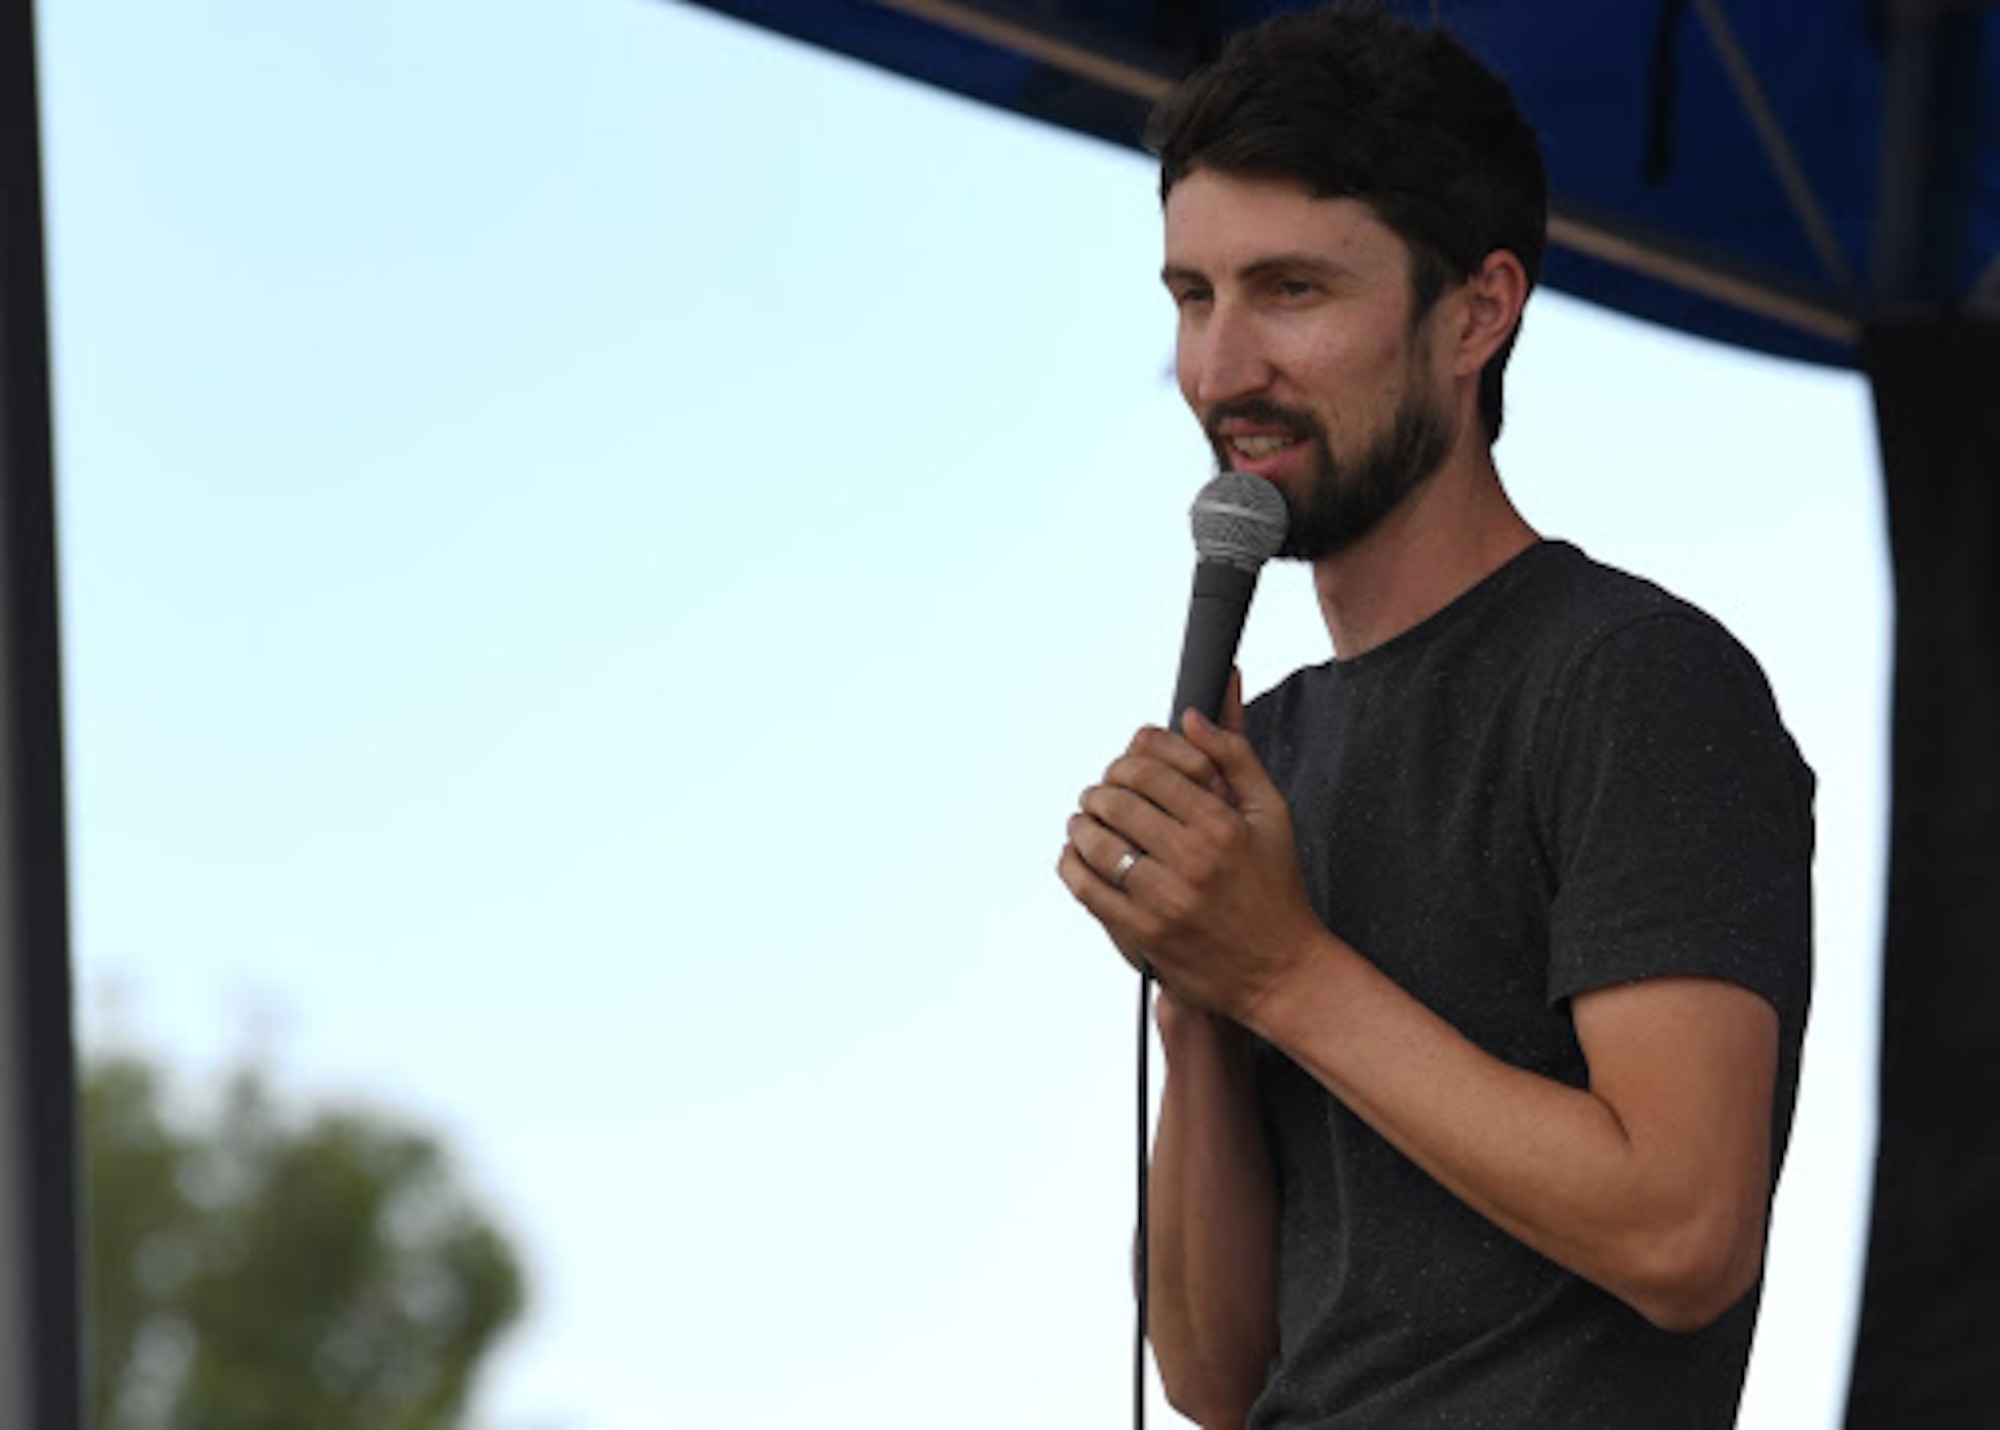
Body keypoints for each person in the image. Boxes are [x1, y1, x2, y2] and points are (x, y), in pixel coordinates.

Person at [1055, 6, 1815, 1428]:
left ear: (1477, 311)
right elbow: (1220, 1377)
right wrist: (1202, 996)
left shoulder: (1635, 678)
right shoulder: (1265, 752)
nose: (1219, 371)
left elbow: (1683, 1231)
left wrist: (1279, 968)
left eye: (1289, 291)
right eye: (1191, 297)